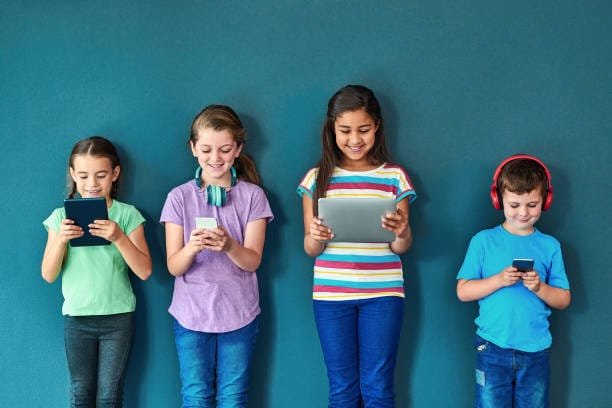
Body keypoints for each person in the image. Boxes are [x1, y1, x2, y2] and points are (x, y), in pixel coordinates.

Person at [297, 84, 417, 407]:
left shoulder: (394, 177)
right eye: (345, 130)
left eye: (363, 130)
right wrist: (316, 236)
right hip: (331, 296)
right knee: (342, 389)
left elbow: (401, 246)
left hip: (383, 294)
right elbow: (310, 249)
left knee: (378, 387)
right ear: (331, 129)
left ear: (377, 126)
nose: (354, 139)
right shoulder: (315, 178)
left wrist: (402, 231)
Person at [160, 104, 273, 407]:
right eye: (207, 149)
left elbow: (253, 261)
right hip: (191, 316)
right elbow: (174, 266)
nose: (215, 158)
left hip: (239, 315)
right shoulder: (178, 198)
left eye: (224, 149)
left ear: (237, 149)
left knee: (233, 398)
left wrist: (229, 246)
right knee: (195, 396)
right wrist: (193, 247)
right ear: (193, 148)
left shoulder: (253, 196)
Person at [41, 136, 152, 407]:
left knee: (109, 395)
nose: (92, 184)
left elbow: (145, 271)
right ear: (73, 176)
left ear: (115, 174)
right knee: (80, 392)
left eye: (101, 175)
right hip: (78, 318)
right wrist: (61, 240)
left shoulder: (127, 215)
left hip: (118, 318)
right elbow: (48, 274)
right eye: (84, 176)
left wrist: (119, 237)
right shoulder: (59, 218)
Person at [456, 154, 571, 408]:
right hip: (491, 348)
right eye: (515, 204)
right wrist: (497, 280)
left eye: (532, 204)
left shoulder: (550, 246)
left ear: (546, 201)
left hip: (536, 351)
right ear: (499, 200)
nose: (523, 212)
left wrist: (540, 287)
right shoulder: (482, 241)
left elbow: (563, 299)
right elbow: (463, 292)